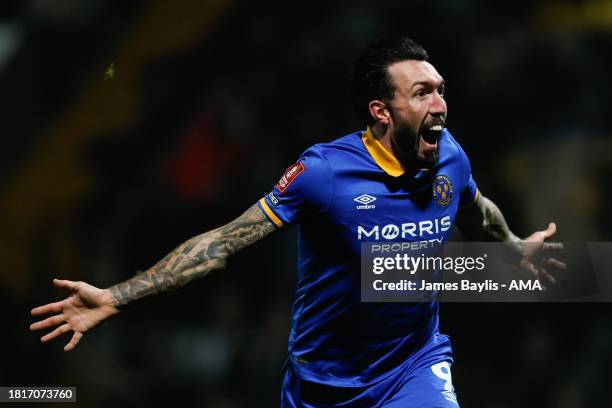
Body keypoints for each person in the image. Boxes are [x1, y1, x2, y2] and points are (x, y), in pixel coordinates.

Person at [31, 36, 562, 407]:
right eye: (422, 93)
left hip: (414, 366)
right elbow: (223, 244)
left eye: (440, 89)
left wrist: (514, 247)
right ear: (381, 110)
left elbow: (476, 209)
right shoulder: (323, 172)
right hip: (323, 385)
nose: (440, 104)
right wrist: (119, 295)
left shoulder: (449, 156)